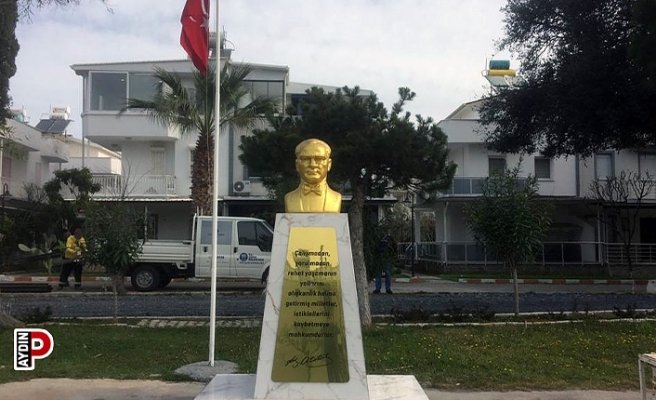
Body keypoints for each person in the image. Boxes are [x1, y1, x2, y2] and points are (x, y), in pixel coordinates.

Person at [284, 138, 342, 213]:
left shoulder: (336, 198)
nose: (312, 165)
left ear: (329, 164)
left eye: (319, 159)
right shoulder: (289, 199)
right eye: (305, 159)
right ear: (297, 165)